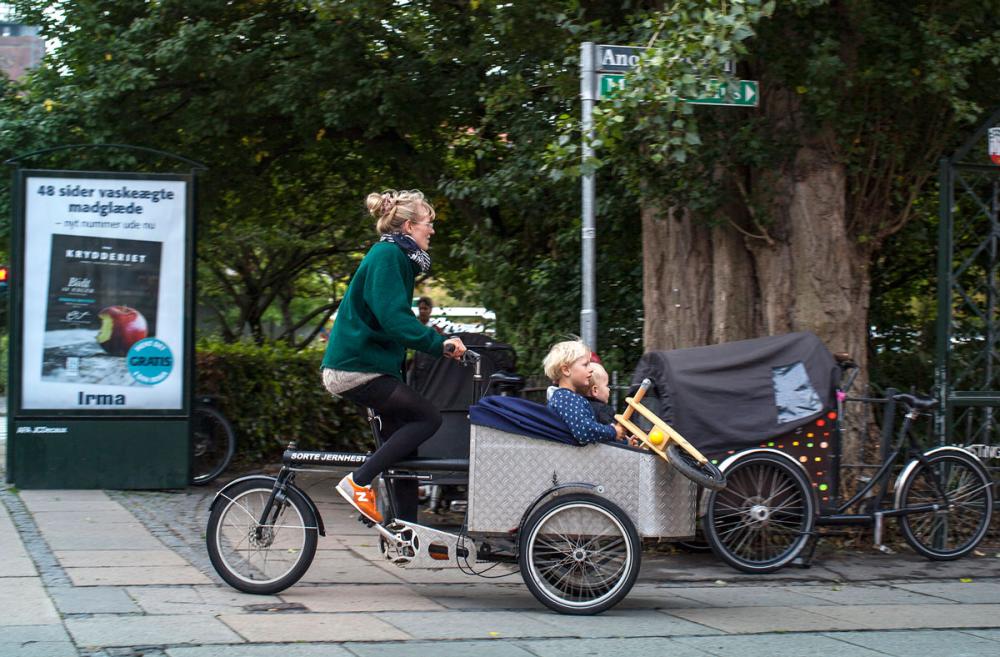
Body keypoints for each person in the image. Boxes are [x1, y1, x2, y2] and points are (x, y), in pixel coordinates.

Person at [322, 189, 466, 523]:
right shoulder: (388, 256)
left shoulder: (395, 258)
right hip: (357, 369)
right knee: (428, 418)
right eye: (427, 223)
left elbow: (391, 321)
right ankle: (358, 481)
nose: (432, 230)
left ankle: (405, 533)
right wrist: (439, 344)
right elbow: (394, 319)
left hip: (367, 367)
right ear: (408, 227)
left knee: (405, 452)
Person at [543, 339, 625, 444]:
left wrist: (625, 443)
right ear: (566, 370)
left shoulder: (566, 397)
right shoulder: (566, 398)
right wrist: (613, 431)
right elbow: (584, 431)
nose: (591, 369)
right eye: (585, 364)